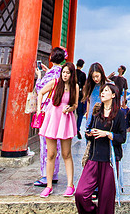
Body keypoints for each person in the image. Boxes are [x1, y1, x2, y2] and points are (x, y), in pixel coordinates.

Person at [74, 82, 128, 214]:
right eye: (102, 91)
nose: (103, 93)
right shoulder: (97, 110)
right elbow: (90, 131)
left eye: (106, 91)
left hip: (109, 160)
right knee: (80, 193)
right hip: (94, 157)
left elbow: (122, 137)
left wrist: (108, 134)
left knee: (106, 199)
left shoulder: (119, 114)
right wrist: (89, 133)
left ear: (113, 95)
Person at [38, 61, 78, 197]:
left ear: (72, 74)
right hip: (52, 118)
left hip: (65, 119)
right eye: (64, 72)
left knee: (66, 154)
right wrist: (38, 111)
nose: (65, 75)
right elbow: (41, 92)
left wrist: (70, 108)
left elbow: (75, 104)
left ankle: (70, 185)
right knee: (51, 154)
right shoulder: (55, 83)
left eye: (68, 73)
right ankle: (49, 185)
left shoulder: (75, 87)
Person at [32, 47, 68, 187]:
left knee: (46, 144)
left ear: (51, 58)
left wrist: (40, 76)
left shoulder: (51, 74)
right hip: (59, 111)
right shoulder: (63, 73)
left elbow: (41, 88)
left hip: (47, 111)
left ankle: (46, 175)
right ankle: (54, 173)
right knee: (56, 144)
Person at [81, 62, 107, 137]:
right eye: (93, 77)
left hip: (103, 120)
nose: (95, 79)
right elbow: (89, 103)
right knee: (90, 147)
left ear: (101, 74)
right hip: (91, 120)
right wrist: (88, 121)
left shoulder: (108, 86)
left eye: (97, 76)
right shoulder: (90, 86)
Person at [74, 59, 88, 138]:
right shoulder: (83, 75)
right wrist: (84, 96)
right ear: (82, 66)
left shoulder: (73, 73)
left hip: (71, 95)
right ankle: (77, 128)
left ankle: (71, 127)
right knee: (80, 113)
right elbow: (84, 87)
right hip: (79, 95)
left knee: (71, 113)